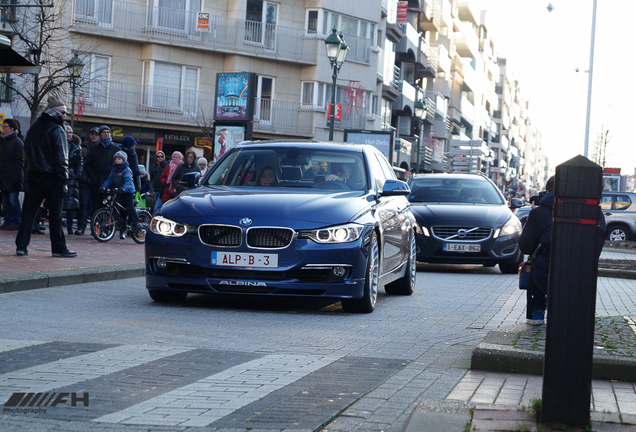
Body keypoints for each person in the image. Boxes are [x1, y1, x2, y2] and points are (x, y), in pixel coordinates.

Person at [15, 95, 77, 258]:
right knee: (55, 214)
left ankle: (21, 246)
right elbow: (61, 158)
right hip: (52, 177)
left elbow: (26, 152)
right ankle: (58, 248)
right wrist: (64, 181)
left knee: (28, 212)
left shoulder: (33, 128)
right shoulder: (57, 129)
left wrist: (28, 172)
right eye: (63, 113)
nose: (64, 116)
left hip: (34, 175)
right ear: (54, 112)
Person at [518, 176, 554, 325]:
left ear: (547, 191)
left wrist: (532, 219)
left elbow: (526, 246)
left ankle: (537, 313)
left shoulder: (540, 212)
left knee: (537, 262)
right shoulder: (583, 209)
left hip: (546, 268)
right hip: (578, 268)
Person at [100, 150, 141, 239]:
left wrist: (124, 188)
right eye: (116, 159)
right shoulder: (114, 169)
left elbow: (128, 181)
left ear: (123, 160)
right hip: (119, 190)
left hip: (128, 191)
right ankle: (120, 225)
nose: (117, 160)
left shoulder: (127, 170)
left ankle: (136, 222)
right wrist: (103, 186)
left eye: (119, 159)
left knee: (129, 207)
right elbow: (109, 179)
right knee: (115, 206)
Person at [83, 125, 121, 212]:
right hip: (98, 184)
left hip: (112, 184)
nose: (106, 134)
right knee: (97, 207)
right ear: (100, 135)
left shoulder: (116, 149)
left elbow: (121, 165)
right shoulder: (94, 150)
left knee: (111, 208)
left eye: (108, 132)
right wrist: (94, 177)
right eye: (104, 132)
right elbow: (87, 165)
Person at [0, 118, 25, 230]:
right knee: (6, 201)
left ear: (12, 128)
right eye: (3, 126)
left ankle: (16, 221)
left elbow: (20, 161)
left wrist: (16, 177)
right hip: (3, 176)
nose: (3, 129)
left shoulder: (17, 142)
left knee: (13, 200)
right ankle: (7, 220)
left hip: (13, 176)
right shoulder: (3, 141)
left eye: (5, 127)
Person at [75, 127, 99, 235]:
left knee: (96, 205)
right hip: (84, 179)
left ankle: (95, 228)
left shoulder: (100, 149)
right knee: (84, 204)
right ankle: (81, 227)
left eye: (96, 134)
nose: (94, 136)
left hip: (96, 181)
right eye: (92, 134)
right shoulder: (82, 147)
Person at [62, 124, 83, 236]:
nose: (69, 134)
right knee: (59, 201)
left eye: (70, 132)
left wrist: (76, 174)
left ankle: (70, 226)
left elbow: (79, 163)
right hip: (60, 175)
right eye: (66, 132)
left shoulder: (76, 147)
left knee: (71, 202)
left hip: (71, 176)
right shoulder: (58, 144)